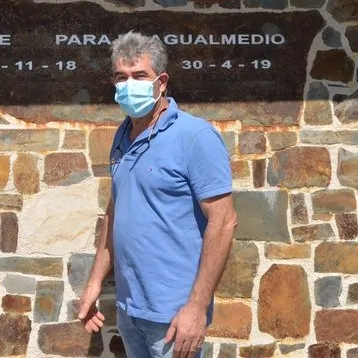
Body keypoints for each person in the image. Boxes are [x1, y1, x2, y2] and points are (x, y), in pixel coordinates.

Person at [77, 31, 238, 358]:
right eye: (121, 77)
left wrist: (196, 307)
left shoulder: (194, 136)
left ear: (161, 82)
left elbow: (223, 221)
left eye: (139, 76)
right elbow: (116, 211)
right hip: (129, 309)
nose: (129, 84)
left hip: (173, 316)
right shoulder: (123, 134)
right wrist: (95, 283)